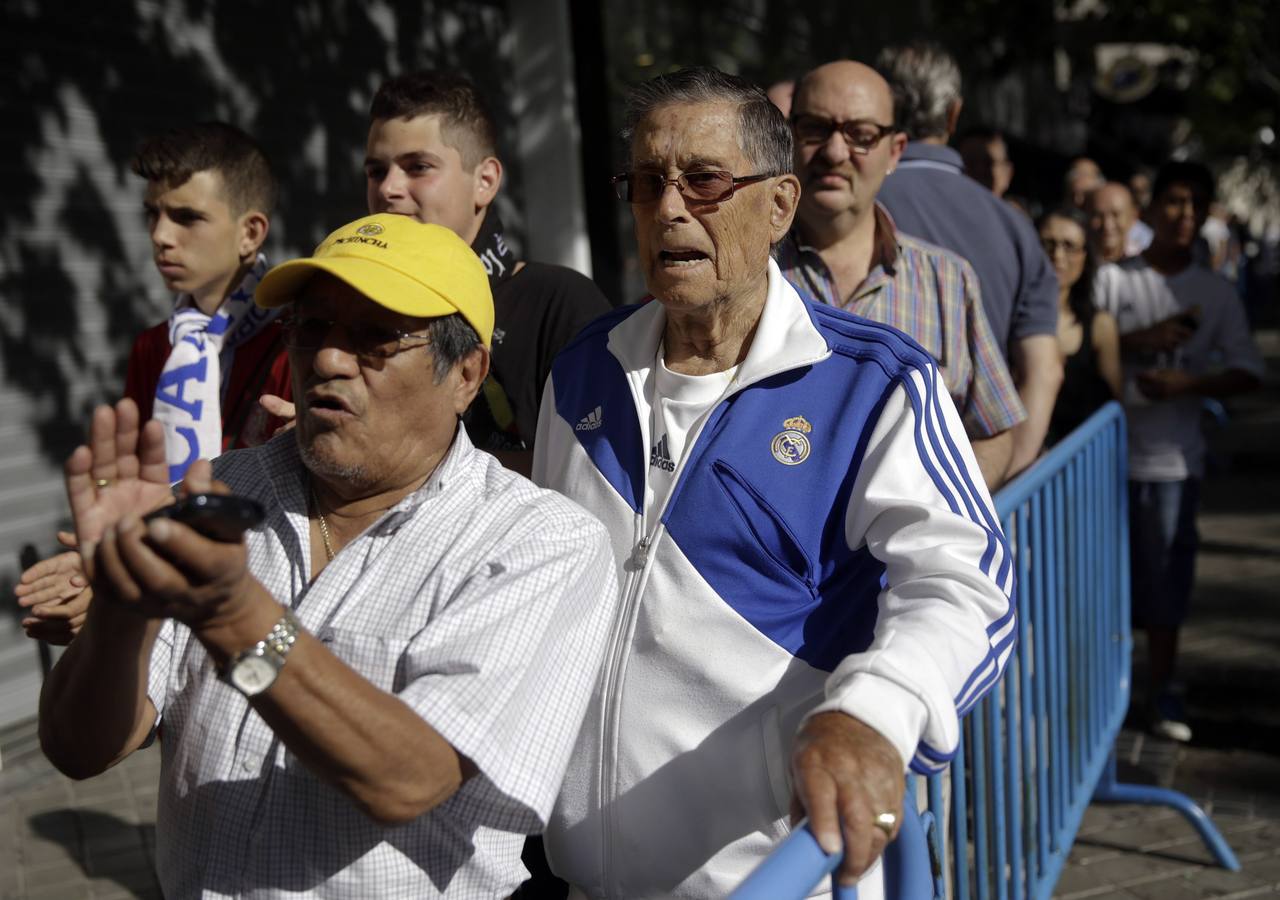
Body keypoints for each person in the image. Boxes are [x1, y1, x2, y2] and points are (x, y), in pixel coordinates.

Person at [533, 66, 1015, 898]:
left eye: (705, 180)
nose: (671, 209)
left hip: (777, 881)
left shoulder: (875, 384)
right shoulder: (582, 370)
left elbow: (969, 585)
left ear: (781, 206)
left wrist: (872, 714)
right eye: (648, 183)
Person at [37, 213, 619, 898]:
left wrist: (235, 617)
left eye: (376, 337)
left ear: (467, 373)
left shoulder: (536, 542)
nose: (330, 360)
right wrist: (120, 610)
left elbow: (409, 776)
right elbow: (79, 750)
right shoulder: (219, 492)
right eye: (311, 328)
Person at [16, 122, 291, 644]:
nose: (161, 236)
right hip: (164, 607)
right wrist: (95, 571)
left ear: (250, 233)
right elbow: (134, 487)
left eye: (187, 217)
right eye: (153, 215)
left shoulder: (299, 340)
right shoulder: (154, 347)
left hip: (264, 608)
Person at [777, 60, 1025, 489]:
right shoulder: (745, 275)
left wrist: (940, 514)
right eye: (816, 129)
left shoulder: (947, 280)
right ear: (790, 138)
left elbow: (994, 429)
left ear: (895, 151)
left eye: (861, 135)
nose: (836, 152)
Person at [355, 71, 610, 469]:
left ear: (485, 181)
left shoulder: (559, 302)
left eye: (418, 167)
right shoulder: (355, 307)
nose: (388, 188)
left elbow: (593, 475)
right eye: (376, 171)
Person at [1093, 160, 1263, 742]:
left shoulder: (1214, 291)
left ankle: (1160, 691)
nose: (1183, 215)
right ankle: (1102, 692)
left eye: (1194, 204)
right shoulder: (1113, 280)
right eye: (1172, 202)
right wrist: (1138, 341)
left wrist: (1191, 384)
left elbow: (1248, 369)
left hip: (1172, 463)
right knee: (1103, 584)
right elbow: (1083, 350)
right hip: (1102, 462)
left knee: (1166, 584)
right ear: (1151, 210)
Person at [875, 42, 1062, 480]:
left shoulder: (845, 209)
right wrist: (1005, 478)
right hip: (982, 479)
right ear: (954, 115)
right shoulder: (1014, 227)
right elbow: (1045, 370)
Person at [1037, 207, 1121, 443]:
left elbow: (1112, 409)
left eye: (1069, 246)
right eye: (1048, 244)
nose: (1058, 256)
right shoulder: (1008, 319)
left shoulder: (1100, 326)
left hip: (1083, 466)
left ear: (1085, 256)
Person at [1087, 181, 1149, 263]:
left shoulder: (1145, 263)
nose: (1107, 225)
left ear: (1133, 216)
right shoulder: (1074, 260)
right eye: (1098, 215)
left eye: (1116, 215)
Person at [956, 127, 1014, 199]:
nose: (979, 170)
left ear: (1008, 173)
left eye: (988, 163)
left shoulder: (1015, 210)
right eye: (970, 162)